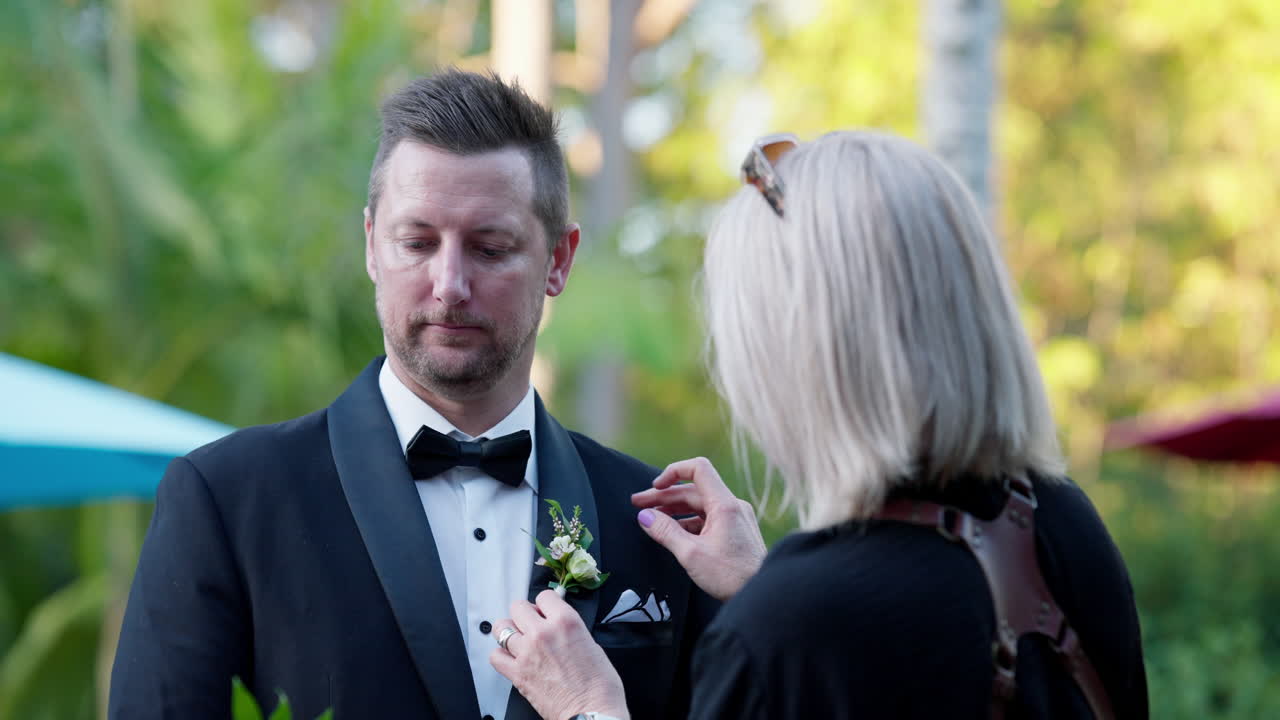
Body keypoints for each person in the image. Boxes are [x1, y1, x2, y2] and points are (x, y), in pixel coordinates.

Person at [108, 69, 718, 720]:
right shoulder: (227, 500)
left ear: (559, 260)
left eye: (490, 248)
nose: (449, 284)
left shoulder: (660, 526)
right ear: (372, 246)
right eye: (418, 243)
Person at [489, 131, 1148, 719]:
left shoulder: (785, 632)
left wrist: (589, 709)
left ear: (798, 350)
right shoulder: (1057, 523)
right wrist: (763, 586)